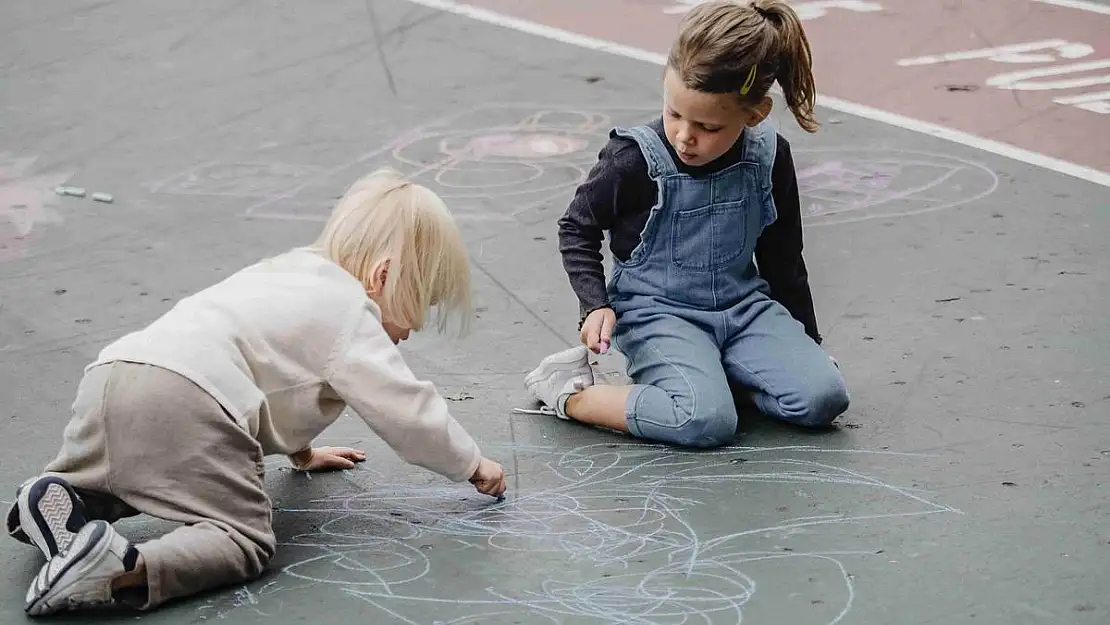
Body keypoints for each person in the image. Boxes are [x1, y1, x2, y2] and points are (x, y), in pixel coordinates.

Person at [7, 168, 507, 616]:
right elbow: (405, 410)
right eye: (420, 305)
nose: (412, 329)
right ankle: (122, 569)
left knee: (139, 476)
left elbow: (274, 368)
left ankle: (62, 495)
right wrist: (470, 463)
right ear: (382, 276)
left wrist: (303, 452)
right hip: (189, 400)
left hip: (115, 374)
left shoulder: (288, 270)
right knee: (243, 540)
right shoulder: (353, 311)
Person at [524, 0, 849, 447]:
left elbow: (783, 259)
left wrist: (807, 340)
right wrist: (595, 303)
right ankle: (568, 391)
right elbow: (577, 227)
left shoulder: (769, 157)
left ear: (754, 115)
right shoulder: (634, 159)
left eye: (707, 126)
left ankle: (713, 374)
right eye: (674, 113)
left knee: (823, 399)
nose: (684, 136)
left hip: (742, 309)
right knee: (703, 421)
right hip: (657, 314)